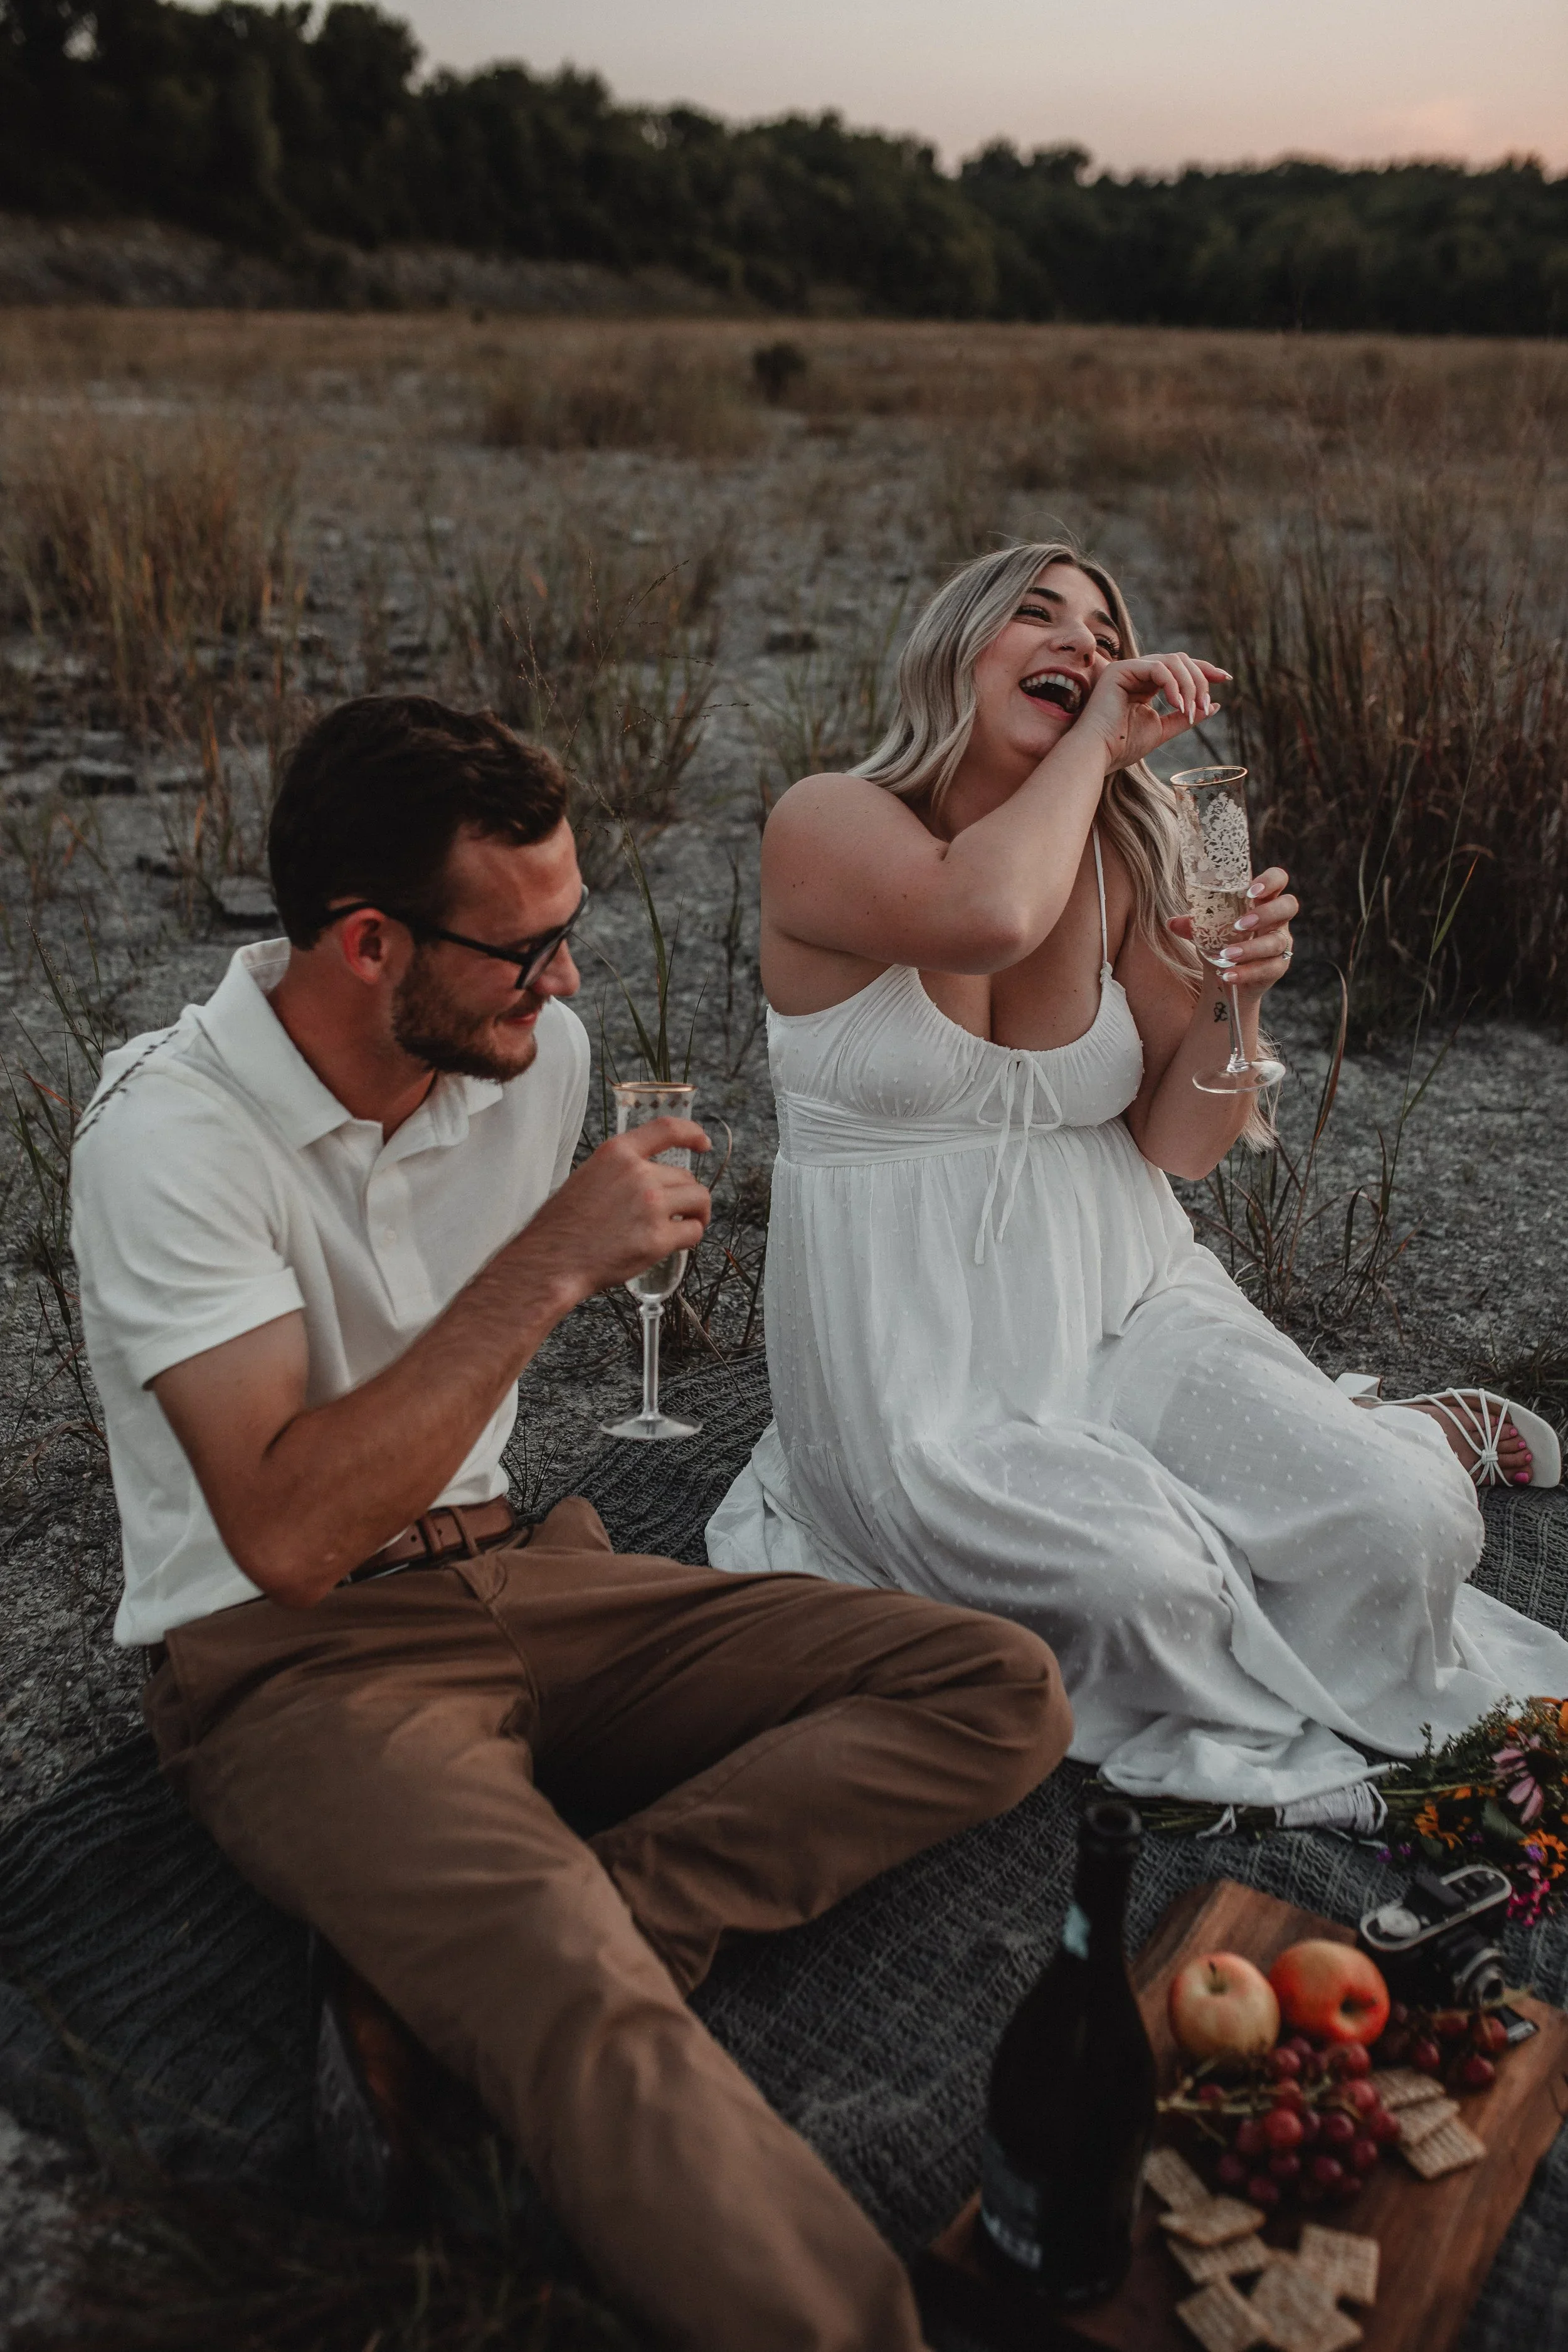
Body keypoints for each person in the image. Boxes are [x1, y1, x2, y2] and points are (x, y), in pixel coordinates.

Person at [69, 695, 1074, 2352]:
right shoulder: (169, 1138)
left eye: (572, 930)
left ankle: (574, 1921)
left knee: (998, 1683)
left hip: (524, 1572)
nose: (568, 984)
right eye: (523, 948)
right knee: (596, 2022)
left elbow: (465, 1389)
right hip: (296, 1663)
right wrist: (547, 1260)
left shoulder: (539, 1056)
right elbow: (288, 1529)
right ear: (368, 942)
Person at [706, 539, 1568, 1813]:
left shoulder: (1145, 846)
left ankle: (1400, 1441)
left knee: (1406, 1527)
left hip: (1124, 1298)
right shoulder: (827, 820)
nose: (1082, 648)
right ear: (955, 646)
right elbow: (985, 911)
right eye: (1037, 617)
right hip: (920, 1367)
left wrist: (1239, 1004)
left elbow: (1174, 1145)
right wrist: (1100, 737)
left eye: (1106, 637)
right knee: (1139, 1590)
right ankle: (1360, 1442)